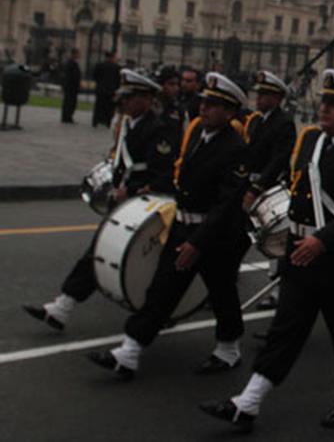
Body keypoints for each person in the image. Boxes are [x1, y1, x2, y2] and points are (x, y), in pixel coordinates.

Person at [199, 69, 334, 431]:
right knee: (286, 328)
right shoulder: (313, 140)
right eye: (324, 101)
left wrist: (324, 239)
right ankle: (248, 403)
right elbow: (299, 190)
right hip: (300, 250)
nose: (325, 108)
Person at [88, 72, 250, 378]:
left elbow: (227, 204)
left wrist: (198, 242)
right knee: (162, 290)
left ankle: (228, 349)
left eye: (214, 105)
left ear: (229, 113)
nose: (204, 108)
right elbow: (183, 179)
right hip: (183, 226)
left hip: (214, 236)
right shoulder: (198, 134)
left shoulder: (235, 148)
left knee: (221, 294)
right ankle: (130, 352)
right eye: (204, 102)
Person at [23, 70, 178, 331]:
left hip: (146, 207)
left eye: (129, 97)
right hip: (126, 205)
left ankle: (159, 314)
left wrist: (131, 191)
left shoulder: (159, 130)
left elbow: (164, 174)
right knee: (99, 253)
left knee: (139, 263)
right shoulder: (130, 124)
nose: (124, 103)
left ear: (146, 99)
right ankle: (62, 307)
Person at [240, 71, 297, 311]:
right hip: (248, 184)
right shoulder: (256, 120)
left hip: (269, 187)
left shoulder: (284, 123)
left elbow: (278, 159)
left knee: (274, 237)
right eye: (258, 93)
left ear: (277, 98)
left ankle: (277, 291)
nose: (258, 98)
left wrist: (257, 187)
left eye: (264, 94)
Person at [91, 51, 120, 128]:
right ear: (112, 57)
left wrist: (100, 83)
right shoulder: (116, 67)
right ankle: (107, 122)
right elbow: (118, 80)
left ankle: (96, 121)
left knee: (98, 106)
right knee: (109, 107)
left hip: (100, 89)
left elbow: (95, 76)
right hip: (111, 90)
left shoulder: (99, 65)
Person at [155, 65, 185, 133]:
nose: (176, 88)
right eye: (171, 84)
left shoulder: (180, 110)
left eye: (177, 84)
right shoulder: (150, 106)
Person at [60, 48, 81, 124]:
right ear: (74, 54)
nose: (79, 55)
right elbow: (72, 76)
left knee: (70, 102)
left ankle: (67, 116)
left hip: (71, 86)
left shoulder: (72, 62)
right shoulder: (71, 63)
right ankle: (67, 117)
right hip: (71, 87)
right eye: (78, 53)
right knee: (69, 102)